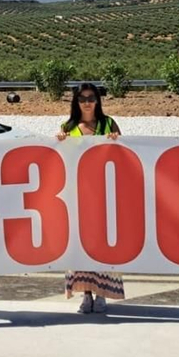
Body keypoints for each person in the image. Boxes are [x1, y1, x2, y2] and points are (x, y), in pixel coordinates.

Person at [55, 82, 127, 314]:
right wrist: (59, 141)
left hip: (105, 194)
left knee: (103, 244)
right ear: (76, 102)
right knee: (81, 244)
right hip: (78, 196)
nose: (87, 103)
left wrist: (116, 140)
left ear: (98, 101)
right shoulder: (68, 127)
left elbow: (124, 154)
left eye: (91, 98)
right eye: (82, 98)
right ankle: (86, 293)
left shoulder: (108, 124)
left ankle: (102, 292)